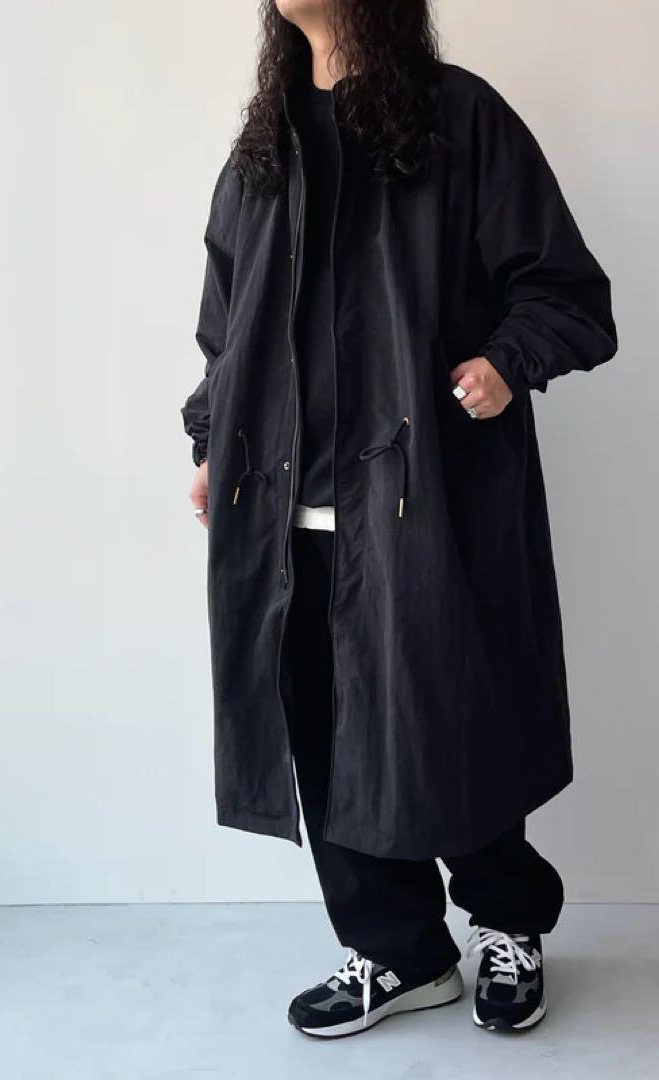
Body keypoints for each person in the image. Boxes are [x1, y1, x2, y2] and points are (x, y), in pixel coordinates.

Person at [181, 0, 617, 1038]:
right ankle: (400, 952)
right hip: (287, 504)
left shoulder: (460, 121)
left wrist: (506, 364)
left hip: (425, 497)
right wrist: (211, 440)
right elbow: (226, 324)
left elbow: (566, 290)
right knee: (326, 743)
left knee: (453, 724)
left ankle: (507, 921)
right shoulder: (264, 147)